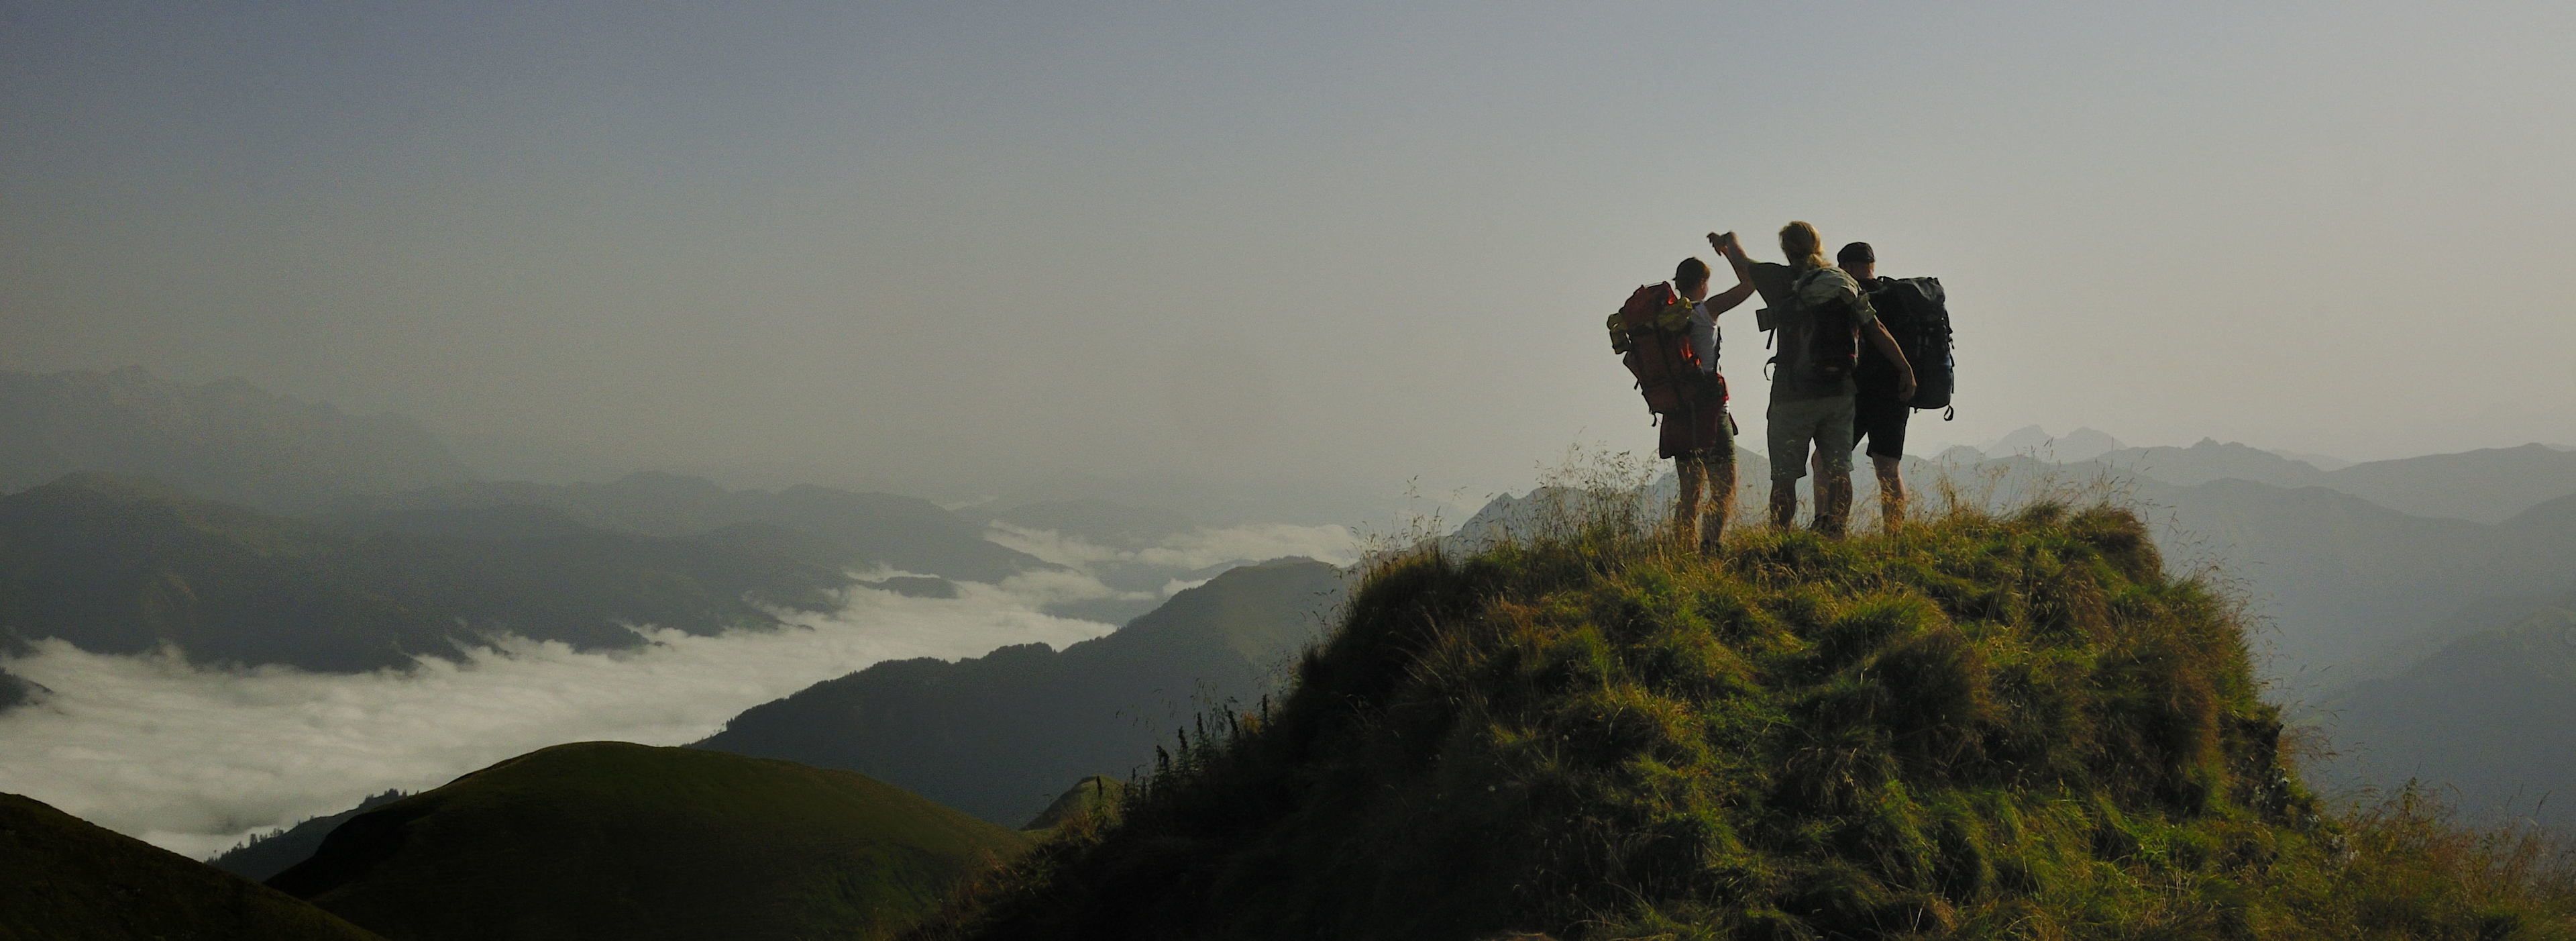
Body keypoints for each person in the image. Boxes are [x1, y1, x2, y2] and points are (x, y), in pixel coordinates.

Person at [1719, 221, 1915, 535]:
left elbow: (1742, 263)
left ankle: (1780, 541)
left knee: (1784, 478)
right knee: (1839, 472)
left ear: (1786, 249)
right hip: (1838, 394)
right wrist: (1905, 368)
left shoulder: (1776, 278)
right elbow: (1875, 329)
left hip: (1790, 395)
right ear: (1819, 246)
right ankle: (1836, 533)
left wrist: (1729, 241)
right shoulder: (1842, 281)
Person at [1664, 241, 1758, 552]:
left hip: (1676, 408)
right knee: (1724, 486)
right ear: (1703, 284)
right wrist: (1731, 251)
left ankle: (1681, 552)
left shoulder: (1664, 321)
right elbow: (1750, 284)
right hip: (1709, 407)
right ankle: (1710, 547)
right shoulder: (1706, 312)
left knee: (1690, 492)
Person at [1837, 241, 1913, 526]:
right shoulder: (1898, 296)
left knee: (1828, 462)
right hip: (1896, 393)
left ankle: (1836, 529)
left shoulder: (1850, 297)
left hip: (1857, 394)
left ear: (1848, 267)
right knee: (1889, 469)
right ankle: (1893, 539)